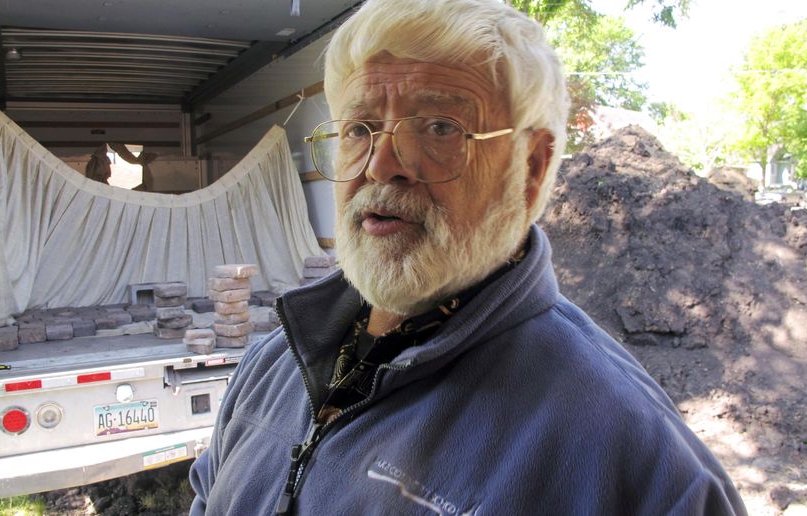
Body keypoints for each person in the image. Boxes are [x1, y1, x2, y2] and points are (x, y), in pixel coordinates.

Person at [189, 0, 747, 514]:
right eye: (360, 128)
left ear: (530, 168)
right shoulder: (270, 367)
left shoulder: (639, 466)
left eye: (440, 127)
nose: (382, 164)